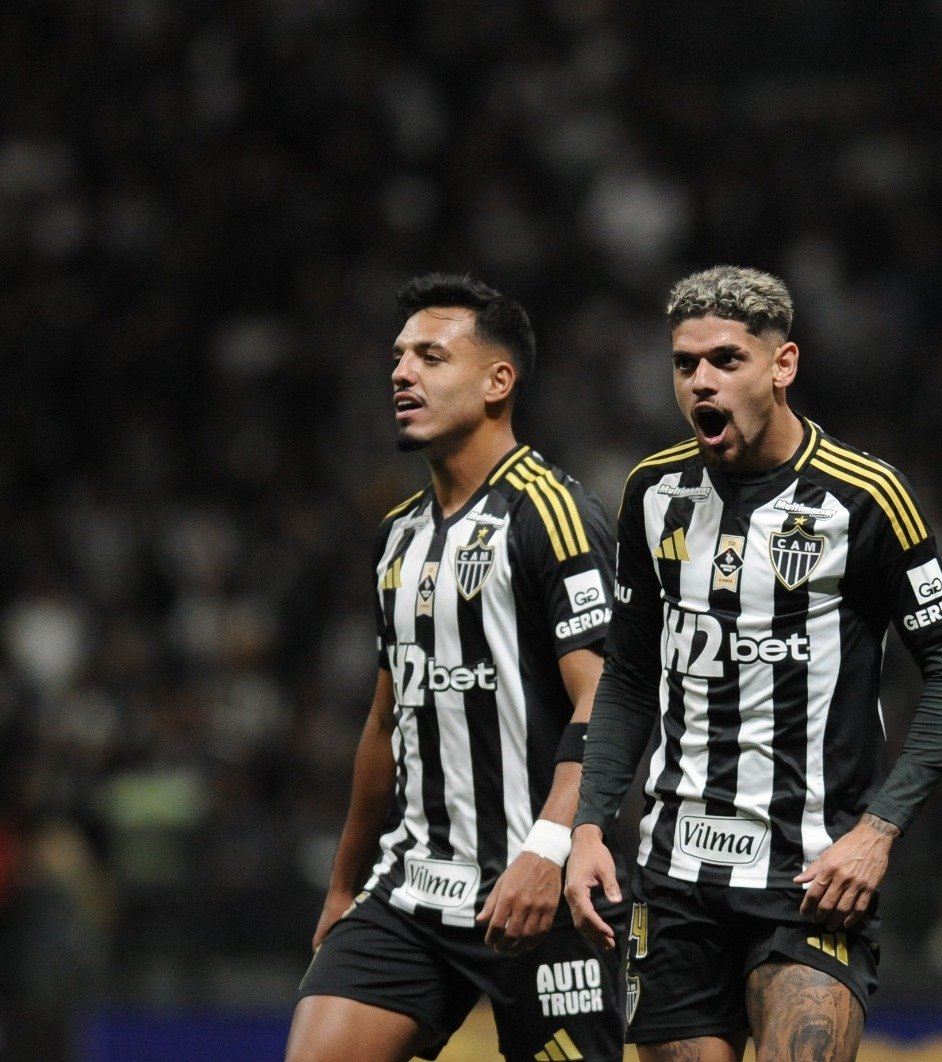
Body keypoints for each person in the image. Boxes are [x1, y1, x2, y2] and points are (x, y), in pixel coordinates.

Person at [562, 265, 942, 1061]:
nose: (701, 383)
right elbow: (626, 674)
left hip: (810, 879)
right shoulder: (653, 493)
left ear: (782, 366)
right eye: (685, 364)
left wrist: (878, 831)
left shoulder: (863, 496)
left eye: (726, 360)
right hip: (674, 878)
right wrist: (588, 824)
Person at [286, 274, 625, 1062]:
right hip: (414, 890)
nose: (402, 373)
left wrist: (546, 851)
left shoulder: (554, 513)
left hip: (547, 887)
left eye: (431, 357)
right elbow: (384, 721)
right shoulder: (397, 537)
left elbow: (605, 698)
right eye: (399, 357)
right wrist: (345, 884)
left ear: (497, 381)